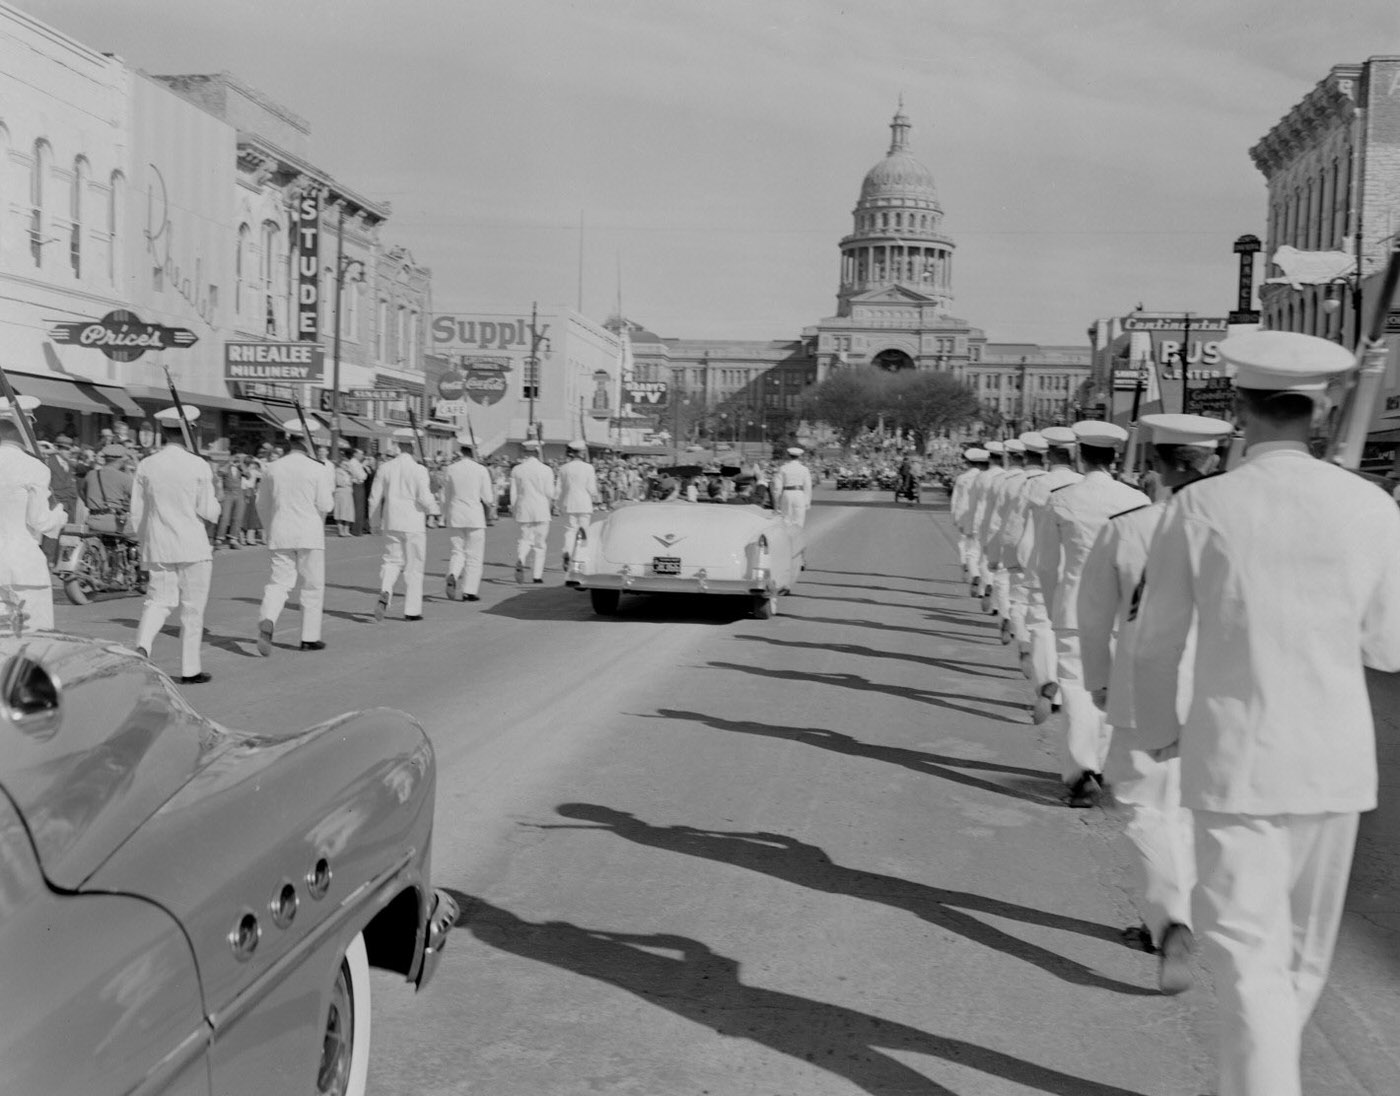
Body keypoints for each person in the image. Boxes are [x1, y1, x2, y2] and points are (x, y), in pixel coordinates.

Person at [1132, 332, 1400, 1096]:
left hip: (1235, 756)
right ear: (1319, 408)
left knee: (1249, 957)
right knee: (1297, 962)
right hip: (1335, 763)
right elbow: (1387, 645)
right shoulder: (1370, 505)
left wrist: (1158, 731)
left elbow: (1156, 644)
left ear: (1240, 406)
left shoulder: (1202, 505)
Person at [1077, 412, 1232, 995]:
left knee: (1146, 811)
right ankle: (1177, 917)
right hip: (1222, 692)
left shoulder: (1129, 528)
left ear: (1160, 467)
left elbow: (1093, 616)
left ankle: (1169, 922)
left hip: (1145, 686)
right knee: (1191, 814)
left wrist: (1095, 681)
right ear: (1213, 462)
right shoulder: (1237, 527)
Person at [1034, 420, 1149, 805]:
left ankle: (1083, 772)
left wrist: (1054, 604)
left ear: (1081, 456)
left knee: (1078, 691)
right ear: (1114, 457)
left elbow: (1046, 564)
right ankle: (1111, 766)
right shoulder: (1137, 500)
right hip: (1125, 609)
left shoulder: (1063, 498)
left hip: (1074, 608)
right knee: (1118, 690)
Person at [129, 407, 220, 684]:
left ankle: (143, 645)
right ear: (189, 430)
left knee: (157, 601)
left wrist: (146, 542)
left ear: (163, 432)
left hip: (159, 545)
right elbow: (209, 511)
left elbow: (138, 512)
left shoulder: (147, 465)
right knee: (192, 610)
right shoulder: (198, 465)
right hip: (193, 545)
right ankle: (190, 669)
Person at [1015, 426, 1082, 718]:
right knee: (1073, 633)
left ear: (1049, 455)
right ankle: (1071, 688)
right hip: (1078, 568)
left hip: (1043, 561)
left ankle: (1047, 683)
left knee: (1041, 626)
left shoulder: (1036, 485)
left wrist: (1019, 558)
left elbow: (1023, 527)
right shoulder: (1082, 484)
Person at [255, 433, 334, 655]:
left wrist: (269, 529)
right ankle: (309, 638)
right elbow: (326, 504)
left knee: (279, 583)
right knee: (312, 585)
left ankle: (268, 618)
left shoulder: (272, 468)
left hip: (281, 531)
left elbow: (262, 504)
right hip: (310, 533)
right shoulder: (318, 468)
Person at [0, 404, 66, 631]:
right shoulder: (34, 467)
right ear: (23, 427)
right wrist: (60, 515)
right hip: (24, 566)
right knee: (34, 642)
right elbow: (41, 522)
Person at [368, 434, 438, 621]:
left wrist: (374, 522)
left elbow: (374, 498)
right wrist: (434, 508)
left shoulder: (385, 467)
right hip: (413, 522)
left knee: (391, 561)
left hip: (391, 521)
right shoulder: (419, 469)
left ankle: (385, 590)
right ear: (414, 448)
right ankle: (412, 610)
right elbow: (424, 497)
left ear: (398, 446)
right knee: (414, 566)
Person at [441, 438, 495, 602]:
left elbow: (446, 495)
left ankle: (453, 573)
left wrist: (445, 513)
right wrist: (491, 504)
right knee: (474, 555)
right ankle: (469, 591)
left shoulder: (450, 469)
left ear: (461, 451)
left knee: (458, 551)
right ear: (474, 451)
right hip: (474, 516)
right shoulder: (480, 470)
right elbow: (487, 497)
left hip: (456, 514)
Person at [510, 440, 556, 584]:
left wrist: (514, 508)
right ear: (538, 452)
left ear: (525, 453)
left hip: (524, 508)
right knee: (540, 544)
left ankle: (521, 558)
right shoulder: (546, 470)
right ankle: (537, 576)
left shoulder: (517, 469)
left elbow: (514, 493)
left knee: (525, 539)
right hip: (541, 508)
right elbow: (550, 493)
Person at [557, 440, 600, 566]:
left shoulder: (564, 468)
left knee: (570, 530)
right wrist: (595, 496)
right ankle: (580, 557)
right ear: (581, 452)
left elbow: (559, 487)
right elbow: (591, 488)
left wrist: (558, 503)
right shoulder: (588, 467)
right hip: (584, 503)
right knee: (583, 530)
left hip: (569, 502)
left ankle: (567, 551)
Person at [950, 448, 989, 576]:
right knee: (981, 546)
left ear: (969, 463)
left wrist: (955, 517)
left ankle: (967, 564)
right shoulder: (988, 477)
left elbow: (955, 499)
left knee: (965, 541)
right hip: (983, 515)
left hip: (964, 514)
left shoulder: (962, 478)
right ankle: (980, 573)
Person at [82, 443, 135, 535]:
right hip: (114, 523)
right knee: (142, 533)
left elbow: (83, 493)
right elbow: (136, 499)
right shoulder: (124, 477)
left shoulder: (90, 474)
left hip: (92, 521)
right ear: (121, 460)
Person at [770, 446, 812, 526]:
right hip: (799, 494)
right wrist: (807, 501)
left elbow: (777, 487)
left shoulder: (783, 468)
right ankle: (797, 537)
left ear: (789, 455)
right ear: (799, 456)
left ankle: (787, 537)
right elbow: (807, 487)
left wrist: (776, 502)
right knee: (798, 521)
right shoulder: (804, 469)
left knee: (786, 519)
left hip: (787, 494)